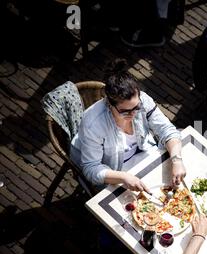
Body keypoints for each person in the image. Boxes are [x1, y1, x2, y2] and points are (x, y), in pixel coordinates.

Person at [70, 59, 185, 192]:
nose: (134, 114)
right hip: (115, 169)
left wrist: (177, 161)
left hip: (142, 152)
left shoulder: (143, 100)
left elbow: (167, 129)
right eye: (125, 111)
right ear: (109, 103)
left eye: (137, 107)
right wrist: (124, 177)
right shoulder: (93, 124)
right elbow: (91, 168)